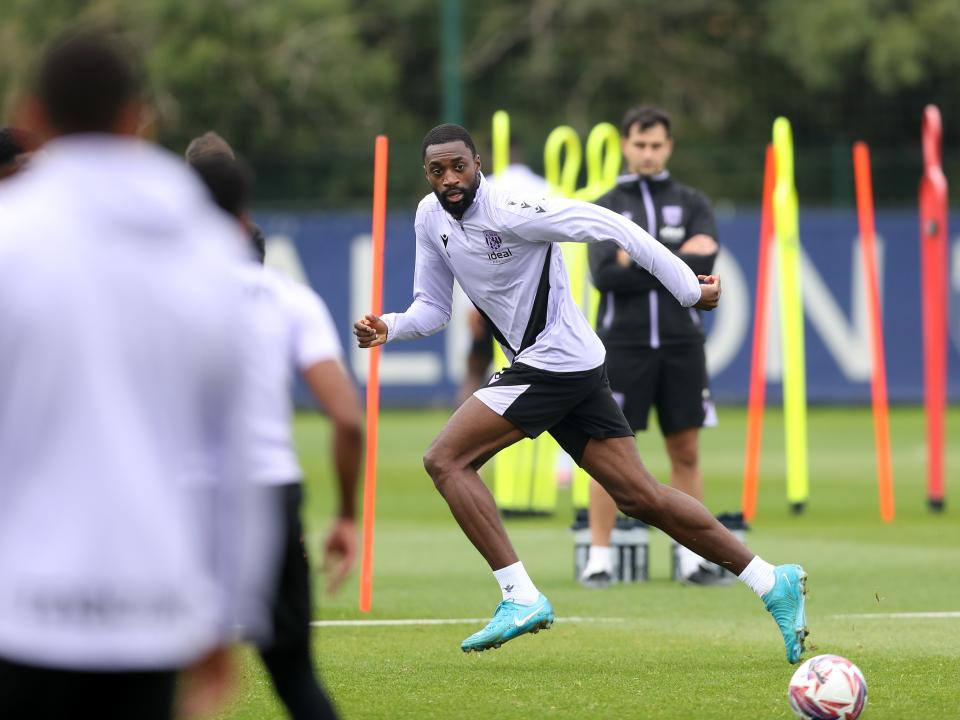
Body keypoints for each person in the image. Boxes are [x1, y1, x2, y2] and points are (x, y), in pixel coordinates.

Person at [353, 123, 809, 664]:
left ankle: (519, 596)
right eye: (437, 171)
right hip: (572, 365)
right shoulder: (430, 217)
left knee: (445, 460)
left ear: (479, 164)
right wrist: (390, 325)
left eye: (459, 167)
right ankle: (771, 581)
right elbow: (434, 306)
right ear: (426, 175)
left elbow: (613, 224)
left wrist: (689, 288)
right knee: (641, 498)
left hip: (554, 364)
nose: (449, 180)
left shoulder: (515, 208)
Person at [0, 29, 274, 719]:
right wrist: (228, 607)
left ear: (32, 116)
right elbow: (234, 453)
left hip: (20, 609)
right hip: (153, 608)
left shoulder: (12, 237)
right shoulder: (209, 248)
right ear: (136, 119)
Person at [188, 149, 363, 719]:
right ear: (245, 219)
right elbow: (346, 418)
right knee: (293, 675)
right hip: (267, 493)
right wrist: (344, 514)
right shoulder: (288, 299)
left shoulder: (147, 292)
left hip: (178, 497)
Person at [580, 105, 726, 587]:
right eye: (639, 144)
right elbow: (605, 275)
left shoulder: (692, 200)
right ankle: (599, 557)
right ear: (625, 144)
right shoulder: (604, 203)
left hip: (682, 343)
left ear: (669, 146)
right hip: (623, 344)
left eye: (656, 144)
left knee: (685, 449)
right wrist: (674, 259)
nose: (647, 153)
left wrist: (638, 258)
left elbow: (707, 257)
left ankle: (692, 558)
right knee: (607, 453)